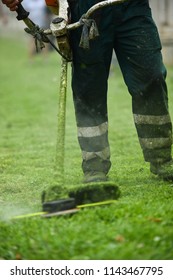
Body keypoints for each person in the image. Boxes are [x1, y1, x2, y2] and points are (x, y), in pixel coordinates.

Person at [2, 0, 173, 184]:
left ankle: (162, 158)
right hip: (86, 10)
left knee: (152, 76)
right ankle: (94, 164)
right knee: (89, 89)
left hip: (132, 7)